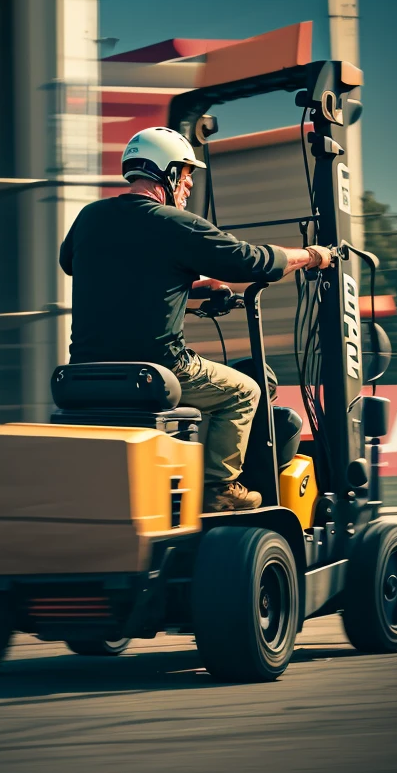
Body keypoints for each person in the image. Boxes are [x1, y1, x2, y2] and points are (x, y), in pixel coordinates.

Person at [59, 126, 332, 512]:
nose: (188, 187)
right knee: (246, 390)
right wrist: (313, 255)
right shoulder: (174, 223)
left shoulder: (90, 218)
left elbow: (83, 266)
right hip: (157, 369)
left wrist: (193, 291)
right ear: (167, 173)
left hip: (86, 374)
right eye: (186, 176)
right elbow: (252, 262)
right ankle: (220, 489)